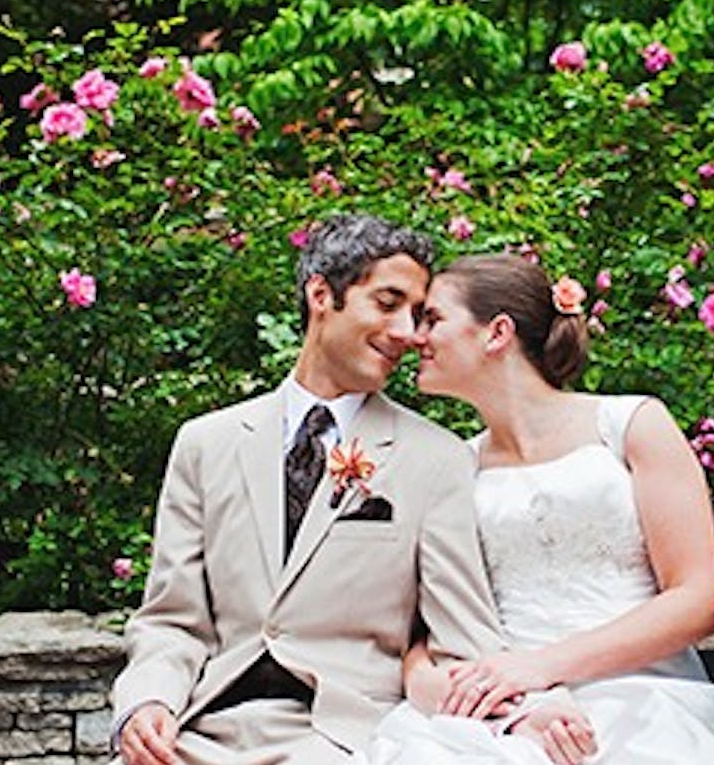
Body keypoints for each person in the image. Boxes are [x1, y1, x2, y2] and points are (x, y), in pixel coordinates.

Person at [353, 253, 714, 765]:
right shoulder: (453, 467)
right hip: (515, 711)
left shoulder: (631, 425)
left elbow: (695, 598)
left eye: (433, 320)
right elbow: (425, 638)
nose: (414, 337)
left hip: (648, 697)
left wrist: (542, 665)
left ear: (497, 333)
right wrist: (489, 701)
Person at [112, 214, 517, 765]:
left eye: (418, 314)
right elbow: (171, 620)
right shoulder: (205, 443)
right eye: (387, 302)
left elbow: (461, 633)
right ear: (322, 294)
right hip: (197, 728)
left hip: (342, 736)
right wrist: (146, 702)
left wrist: (528, 704)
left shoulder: (436, 458)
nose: (406, 332)